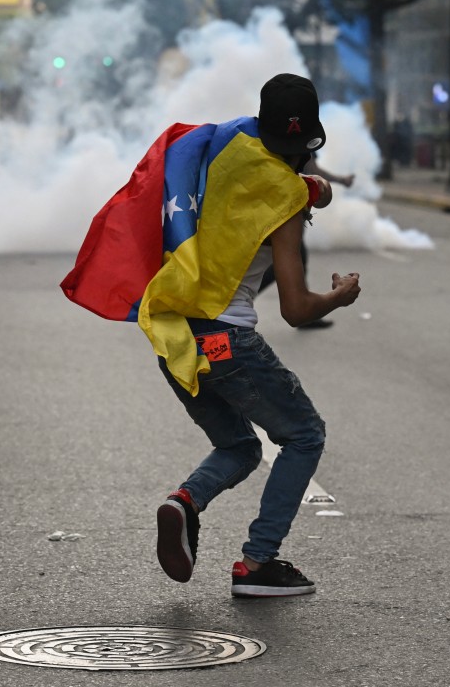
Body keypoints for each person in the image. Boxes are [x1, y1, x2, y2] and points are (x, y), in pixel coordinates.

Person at [60, 73, 362, 598]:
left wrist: (317, 190)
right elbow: (295, 309)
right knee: (304, 435)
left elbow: (306, 185)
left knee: (240, 447)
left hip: (177, 338)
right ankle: (258, 563)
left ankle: (184, 503)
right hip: (230, 343)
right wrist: (340, 295)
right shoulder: (287, 198)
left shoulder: (222, 142)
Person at [257, 153, 356, 330]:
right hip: (282, 218)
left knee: (294, 263)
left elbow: (317, 182)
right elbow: (295, 312)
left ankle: (306, 313)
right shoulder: (289, 187)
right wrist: (340, 295)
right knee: (283, 265)